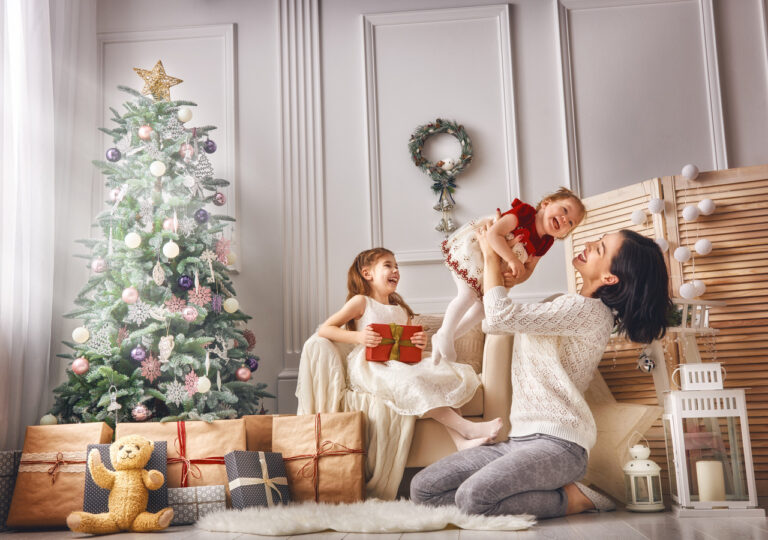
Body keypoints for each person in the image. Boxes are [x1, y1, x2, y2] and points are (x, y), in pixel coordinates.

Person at [410, 227, 672, 518]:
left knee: (474, 498)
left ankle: (574, 499)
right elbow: (494, 321)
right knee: (424, 489)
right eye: (598, 240)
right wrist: (512, 279)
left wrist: (491, 256)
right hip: (518, 440)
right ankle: (536, 492)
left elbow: (499, 316)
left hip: (559, 445)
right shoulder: (561, 302)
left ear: (610, 278)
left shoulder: (591, 312)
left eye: (599, 248)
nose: (588, 243)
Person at [318, 247, 503, 450]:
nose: (396, 270)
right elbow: (325, 329)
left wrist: (419, 343)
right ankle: (467, 429)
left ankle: (460, 442)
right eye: (388, 265)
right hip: (372, 365)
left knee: (440, 370)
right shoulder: (361, 302)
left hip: (399, 361)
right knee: (413, 381)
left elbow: (406, 346)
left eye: (397, 266)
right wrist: (358, 337)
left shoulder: (400, 310)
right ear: (367, 273)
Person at [432, 188, 586, 363]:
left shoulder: (546, 242)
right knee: (466, 295)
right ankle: (445, 332)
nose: (565, 219)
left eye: (571, 223)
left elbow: (529, 269)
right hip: (476, 254)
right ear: (546, 203)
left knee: (483, 309)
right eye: (564, 210)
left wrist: (518, 277)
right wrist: (512, 258)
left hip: (493, 271)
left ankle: (447, 336)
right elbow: (493, 234)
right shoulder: (526, 213)